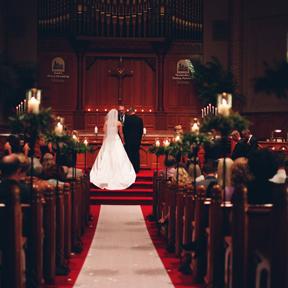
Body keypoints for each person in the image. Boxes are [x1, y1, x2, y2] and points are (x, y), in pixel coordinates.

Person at [90, 109, 136, 190]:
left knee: (106, 157)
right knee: (119, 157)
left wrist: (103, 142)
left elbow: (105, 133)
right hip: (116, 140)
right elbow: (121, 134)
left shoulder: (107, 123)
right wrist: (123, 141)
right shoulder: (119, 123)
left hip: (108, 140)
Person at [122, 107, 144, 173]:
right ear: (134, 112)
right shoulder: (139, 119)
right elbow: (141, 131)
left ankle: (128, 169)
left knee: (128, 154)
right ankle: (136, 169)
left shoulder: (126, 119)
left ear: (129, 112)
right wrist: (139, 140)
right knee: (136, 154)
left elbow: (124, 131)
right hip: (136, 140)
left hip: (128, 140)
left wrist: (125, 139)